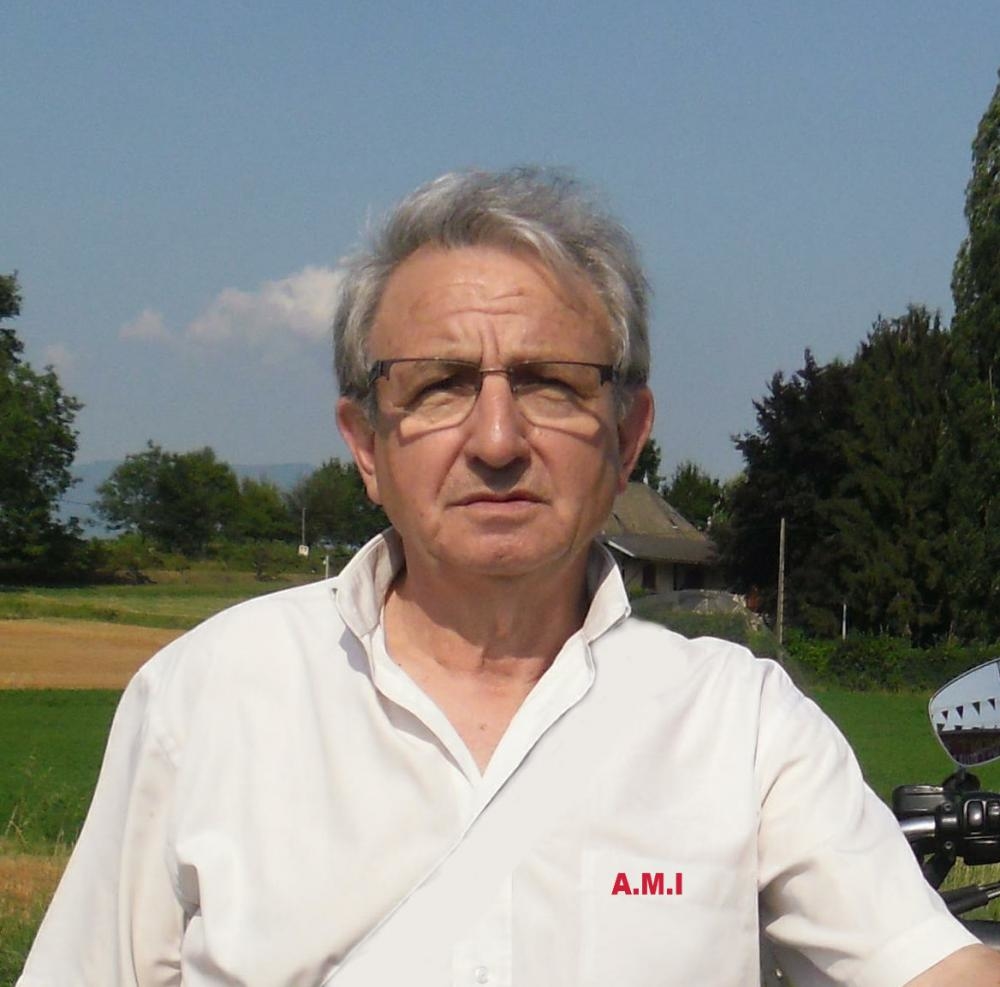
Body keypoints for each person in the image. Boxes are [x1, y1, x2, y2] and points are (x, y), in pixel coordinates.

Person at [18, 168, 1000, 986]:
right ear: (365, 443)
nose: (496, 440)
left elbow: (932, 967)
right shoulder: (204, 699)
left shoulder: (740, 726)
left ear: (627, 438)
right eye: (441, 385)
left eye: (550, 384)